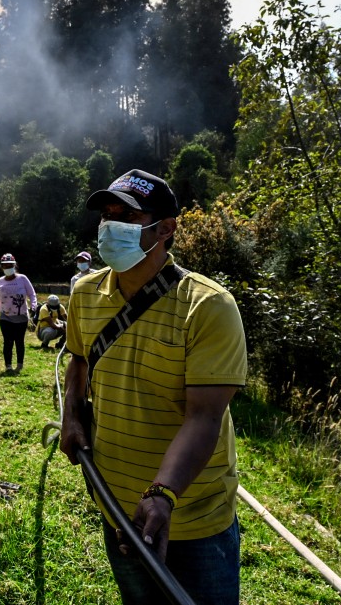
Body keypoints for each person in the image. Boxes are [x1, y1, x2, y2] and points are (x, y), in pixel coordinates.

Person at [59, 169, 247, 605]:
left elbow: (204, 417)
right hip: (117, 507)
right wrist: (71, 413)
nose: (110, 226)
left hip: (192, 518)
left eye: (126, 215)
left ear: (165, 230)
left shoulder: (209, 307)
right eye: (107, 215)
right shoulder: (85, 294)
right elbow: (79, 359)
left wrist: (163, 493)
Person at [0, 252, 37, 372]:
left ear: (14, 265)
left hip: (21, 316)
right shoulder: (0, 281)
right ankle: (8, 366)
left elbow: (31, 294)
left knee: (19, 341)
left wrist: (33, 306)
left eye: (10, 265)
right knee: (8, 341)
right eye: (5, 266)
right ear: (2, 267)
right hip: (5, 317)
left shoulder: (22, 279)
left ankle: (19, 365)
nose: (7, 268)